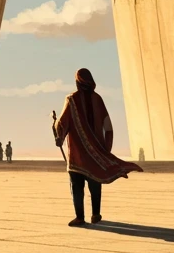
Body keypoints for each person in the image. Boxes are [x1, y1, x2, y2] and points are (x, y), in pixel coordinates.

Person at [54, 67, 142, 227]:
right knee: (95, 184)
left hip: (77, 156)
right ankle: (96, 214)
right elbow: (108, 127)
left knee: (77, 186)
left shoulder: (71, 100)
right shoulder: (97, 99)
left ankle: (80, 217)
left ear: (77, 82)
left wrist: (57, 131)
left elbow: (62, 123)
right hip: (96, 155)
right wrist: (105, 150)